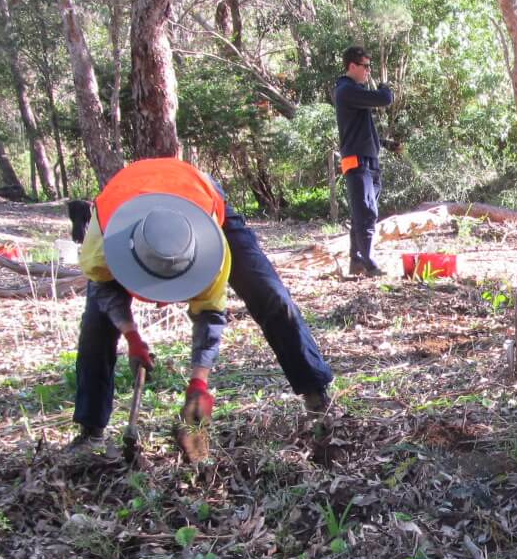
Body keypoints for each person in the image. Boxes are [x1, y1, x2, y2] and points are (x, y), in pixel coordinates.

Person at [72, 156, 335, 453]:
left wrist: (199, 386)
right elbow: (105, 290)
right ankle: (90, 430)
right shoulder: (102, 243)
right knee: (96, 323)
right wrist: (131, 336)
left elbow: (209, 315)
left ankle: (317, 397)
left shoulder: (214, 250)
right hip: (129, 196)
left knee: (269, 294)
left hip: (201, 195)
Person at [332, 45, 396, 278]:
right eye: (365, 66)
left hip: (369, 159)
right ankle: (369, 263)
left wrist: (387, 144)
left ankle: (356, 261)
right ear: (352, 66)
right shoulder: (346, 90)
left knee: (364, 212)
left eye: (370, 66)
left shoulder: (354, 92)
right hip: (356, 161)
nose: (368, 71)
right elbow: (384, 98)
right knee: (366, 212)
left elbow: (363, 130)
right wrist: (385, 87)